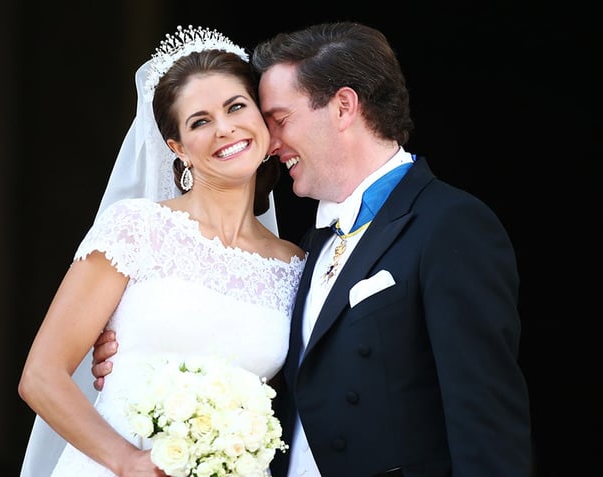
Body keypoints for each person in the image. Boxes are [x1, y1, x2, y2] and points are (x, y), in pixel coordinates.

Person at [93, 21, 532, 476]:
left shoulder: (449, 225)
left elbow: (486, 423)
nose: (271, 143)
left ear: (342, 107)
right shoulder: (306, 250)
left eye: (279, 120)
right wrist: (137, 353)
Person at [17, 25, 305, 477]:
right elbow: (41, 376)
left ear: (263, 120)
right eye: (200, 121)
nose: (225, 128)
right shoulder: (138, 228)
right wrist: (128, 462)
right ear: (178, 148)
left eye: (236, 107)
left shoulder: (295, 265)